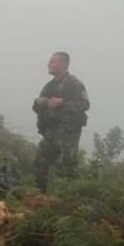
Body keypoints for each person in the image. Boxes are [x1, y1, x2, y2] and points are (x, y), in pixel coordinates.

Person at [32, 52, 90, 193]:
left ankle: (74, 199)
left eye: (52, 62)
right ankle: (40, 196)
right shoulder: (49, 86)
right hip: (50, 131)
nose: (48, 65)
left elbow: (85, 105)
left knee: (68, 166)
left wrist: (63, 103)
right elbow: (36, 106)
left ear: (63, 64)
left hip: (68, 133)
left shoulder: (74, 84)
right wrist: (44, 102)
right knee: (40, 163)